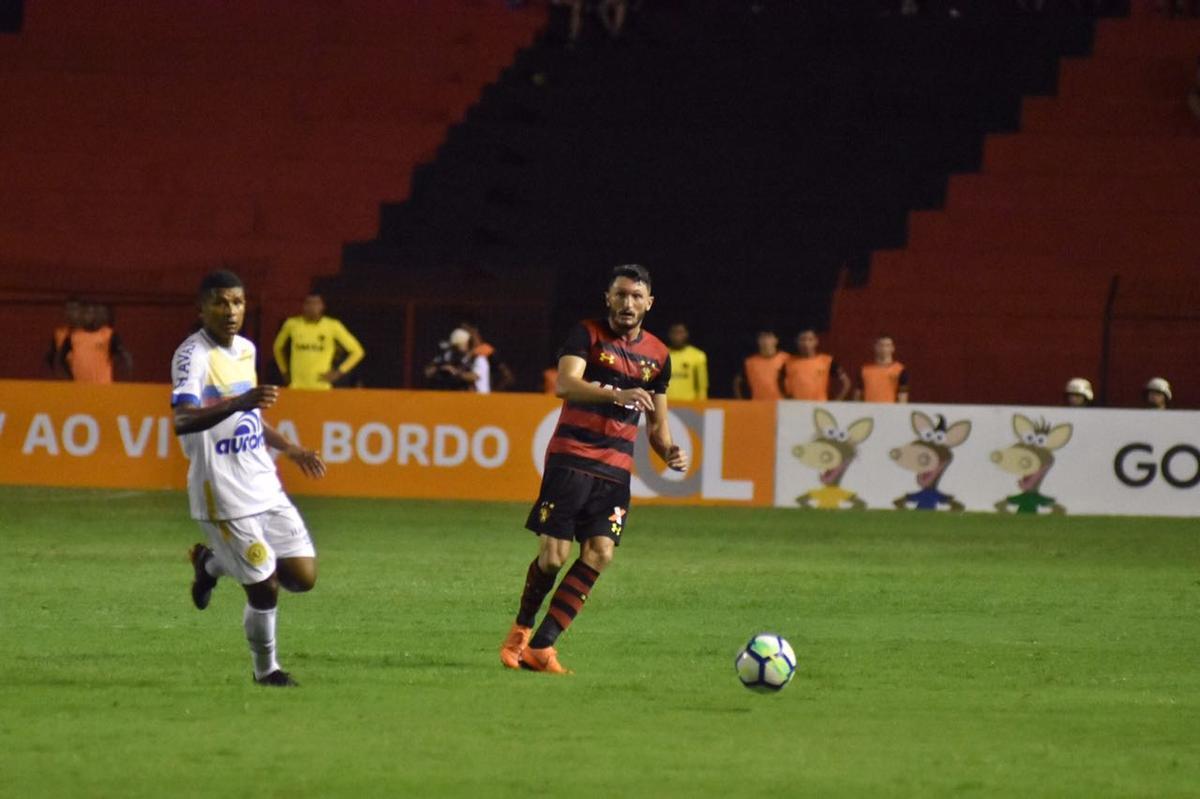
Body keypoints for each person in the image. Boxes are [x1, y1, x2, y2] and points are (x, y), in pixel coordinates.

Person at [499, 264, 688, 674]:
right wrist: (618, 393)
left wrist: (669, 451)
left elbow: (658, 426)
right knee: (552, 558)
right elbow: (565, 385)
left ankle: (543, 647)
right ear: (608, 298)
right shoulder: (585, 334)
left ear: (649, 303)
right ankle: (520, 631)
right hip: (571, 458)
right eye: (620, 294)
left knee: (600, 553)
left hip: (615, 471)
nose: (628, 303)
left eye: (636, 296)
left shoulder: (658, 356)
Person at [174, 270, 327, 687]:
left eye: (238, 302)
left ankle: (211, 563)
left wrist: (290, 449)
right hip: (221, 491)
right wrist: (239, 400)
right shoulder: (193, 356)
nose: (231, 311)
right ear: (202, 307)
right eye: (221, 302)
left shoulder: (245, 349)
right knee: (265, 587)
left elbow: (251, 415)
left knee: (303, 576)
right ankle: (267, 671)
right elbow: (183, 419)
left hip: (263, 481)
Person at [272, 294, 365, 390]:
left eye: (316, 303)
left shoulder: (332, 326)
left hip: (322, 387)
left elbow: (357, 351)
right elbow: (277, 347)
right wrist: (284, 371)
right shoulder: (292, 324)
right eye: (309, 303)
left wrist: (338, 373)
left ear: (322, 306)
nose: (312, 307)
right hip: (296, 385)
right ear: (303, 306)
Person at [58, 302, 133, 383]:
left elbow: (124, 356)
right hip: (79, 387)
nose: (89, 316)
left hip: (102, 387)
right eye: (86, 313)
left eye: (92, 313)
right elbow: (60, 359)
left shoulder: (108, 335)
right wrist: (69, 377)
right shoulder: (73, 337)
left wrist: (127, 369)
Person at [782, 329, 851, 401]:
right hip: (796, 407)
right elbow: (778, 382)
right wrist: (785, 398)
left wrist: (836, 403)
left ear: (816, 341)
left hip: (818, 408)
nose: (806, 343)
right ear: (797, 342)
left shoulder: (827, 361)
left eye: (810, 339)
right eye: (802, 339)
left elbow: (846, 383)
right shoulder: (788, 363)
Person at [424, 328, 490, 392]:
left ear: (467, 344)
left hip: (478, 399)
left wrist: (455, 372)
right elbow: (428, 372)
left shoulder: (479, 359)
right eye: (454, 346)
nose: (454, 350)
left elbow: (474, 376)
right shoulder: (450, 358)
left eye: (458, 346)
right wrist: (440, 368)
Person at [733, 330, 789, 400]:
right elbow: (737, 382)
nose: (765, 341)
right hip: (758, 406)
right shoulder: (749, 362)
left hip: (782, 406)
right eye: (762, 337)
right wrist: (741, 402)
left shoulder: (787, 359)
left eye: (769, 337)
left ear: (776, 340)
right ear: (758, 341)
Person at [854, 334, 909, 403]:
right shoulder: (864, 370)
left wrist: (900, 412)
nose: (884, 349)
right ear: (875, 347)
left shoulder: (900, 370)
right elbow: (857, 395)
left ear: (893, 348)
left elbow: (903, 397)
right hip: (869, 411)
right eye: (881, 345)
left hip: (889, 411)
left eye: (887, 345)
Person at [462, 321, 515, 391]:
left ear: (474, 330)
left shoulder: (487, 351)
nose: (462, 334)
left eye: (465, 330)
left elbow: (508, 377)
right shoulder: (461, 352)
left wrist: (494, 393)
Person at [665, 322, 708, 402]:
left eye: (680, 332)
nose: (677, 336)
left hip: (689, 405)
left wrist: (702, 404)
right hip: (666, 404)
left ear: (686, 334)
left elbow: (702, 386)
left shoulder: (698, 355)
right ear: (669, 334)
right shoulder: (662, 355)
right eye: (674, 332)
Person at [46, 297, 84, 378]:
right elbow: (50, 359)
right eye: (68, 309)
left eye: (74, 309)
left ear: (82, 312)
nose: (71, 313)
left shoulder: (88, 334)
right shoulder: (59, 334)